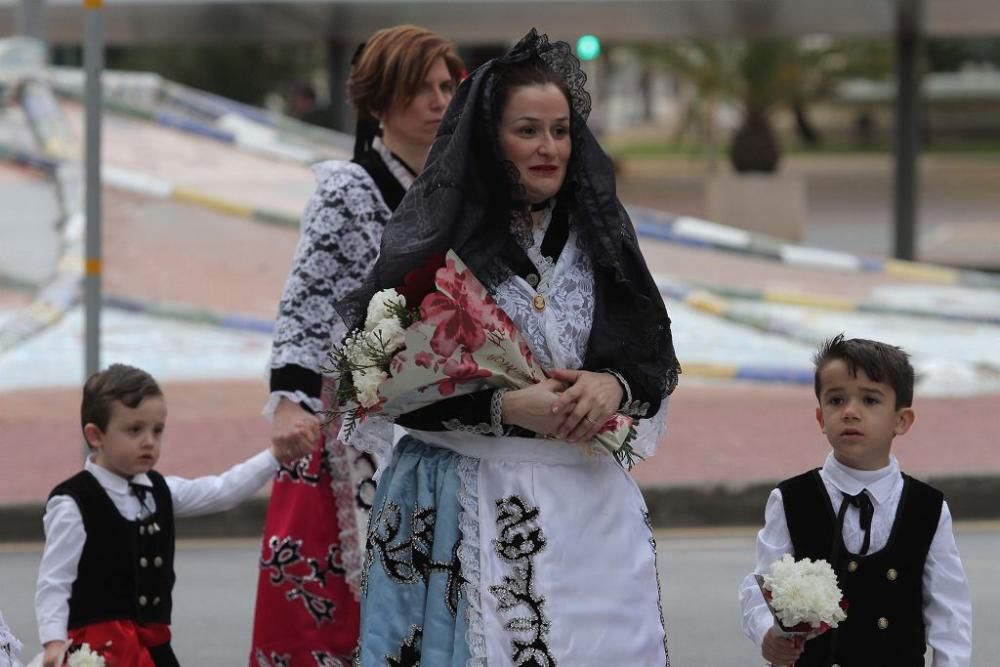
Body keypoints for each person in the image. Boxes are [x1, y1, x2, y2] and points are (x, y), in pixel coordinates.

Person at [337, 29, 681, 665]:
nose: (549, 148)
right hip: (460, 500)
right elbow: (377, 379)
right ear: (489, 138)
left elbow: (650, 357)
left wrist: (614, 388)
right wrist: (503, 408)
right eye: (528, 131)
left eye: (560, 130)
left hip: (588, 508)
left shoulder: (601, 237)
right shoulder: (437, 242)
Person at [250, 25, 464, 665]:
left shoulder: (466, 191)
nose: (437, 101)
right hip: (353, 432)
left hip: (443, 421)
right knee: (343, 611)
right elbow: (308, 295)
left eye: (446, 86)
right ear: (377, 105)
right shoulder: (349, 189)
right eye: (418, 88)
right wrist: (290, 400)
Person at [34, 364, 303, 667]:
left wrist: (274, 457)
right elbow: (54, 581)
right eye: (134, 430)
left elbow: (221, 490)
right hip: (97, 654)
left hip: (154, 650)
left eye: (157, 430)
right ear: (96, 436)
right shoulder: (73, 503)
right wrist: (54, 642)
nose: (149, 441)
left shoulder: (159, 491)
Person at [739, 334, 972, 666]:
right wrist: (767, 633)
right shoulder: (791, 499)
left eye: (870, 400)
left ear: (901, 420)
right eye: (836, 400)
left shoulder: (929, 508)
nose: (850, 412)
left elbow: (950, 615)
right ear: (820, 418)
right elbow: (761, 586)